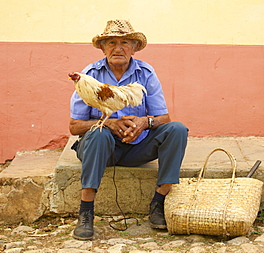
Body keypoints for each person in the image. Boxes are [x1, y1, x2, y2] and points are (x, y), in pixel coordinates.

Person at [69, 19, 188, 240]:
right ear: (103, 47)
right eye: (111, 42)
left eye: (125, 42)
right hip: (101, 149)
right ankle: (85, 212)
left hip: (136, 147)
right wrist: (109, 123)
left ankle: (158, 202)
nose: (118, 48)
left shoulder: (146, 72)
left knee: (177, 130)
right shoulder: (89, 74)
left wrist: (144, 123)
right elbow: (74, 126)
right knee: (98, 133)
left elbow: (164, 117)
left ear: (134, 47)